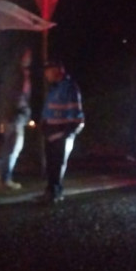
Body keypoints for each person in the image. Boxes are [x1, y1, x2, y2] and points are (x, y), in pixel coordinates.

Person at [39, 60, 85, 204]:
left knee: (57, 164)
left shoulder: (69, 88)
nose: (46, 74)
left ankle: (55, 192)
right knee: (51, 164)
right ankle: (51, 190)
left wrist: (67, 132)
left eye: (48, 70)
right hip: (51, 133)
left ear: (57, 70)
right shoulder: (55, 87)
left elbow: (77, 114)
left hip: (62, 133)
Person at [0, 46, 33, 189]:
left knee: (9, 145)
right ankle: (5, 179)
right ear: (22, 57)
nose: (30, 59)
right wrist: (22, 113)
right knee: (13, 147)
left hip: (9, 115)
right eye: (28, 56)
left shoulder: (12, 71)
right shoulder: (18, 73)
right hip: (14, 116)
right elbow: (17, 96)